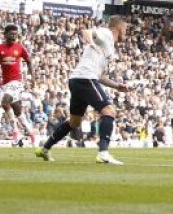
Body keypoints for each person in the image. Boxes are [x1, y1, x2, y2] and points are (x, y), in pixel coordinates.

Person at [36, 15, 133, 165]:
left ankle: (44, 149)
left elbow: (100, 76)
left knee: (75, 122)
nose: (127, 32)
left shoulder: (109, 47)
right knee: (109, 111)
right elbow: (86, 31)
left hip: (77, 80)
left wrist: (116, 86)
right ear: (119, 27)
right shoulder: (106, 34)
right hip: (85, 79)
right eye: (126, 28)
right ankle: (103, 153)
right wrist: (91, 42)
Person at [0, 24, 35, 144]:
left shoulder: (20, 48)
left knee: (5, 103)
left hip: (17, 81)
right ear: (5, 34)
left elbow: (29, 61)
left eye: (16, 34)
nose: (14, 36)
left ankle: (15, 131)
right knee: (17, 110)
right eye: (11, 34)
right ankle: (31, 132)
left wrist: (33, 77)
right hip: (5, 83)